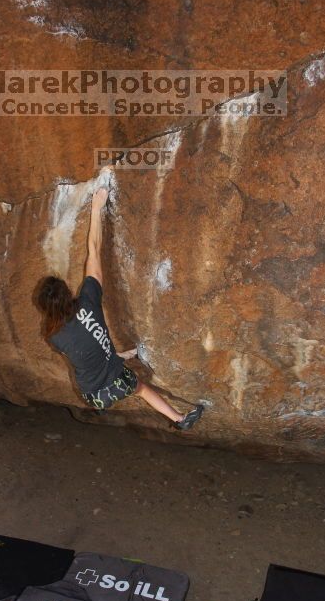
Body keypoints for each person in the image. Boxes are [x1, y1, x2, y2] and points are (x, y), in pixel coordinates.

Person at [36, 182, 204, 430]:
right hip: (116, 382)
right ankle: (180, 419)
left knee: (93, 359)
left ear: (45, 308)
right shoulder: (88, 301)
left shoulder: (54, 336)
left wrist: (118, 356)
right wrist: (96, 207)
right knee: (142, 389)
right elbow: (93, 250)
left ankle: (103, 403)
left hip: (93, 395)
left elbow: (83, 352)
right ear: (68, 292)